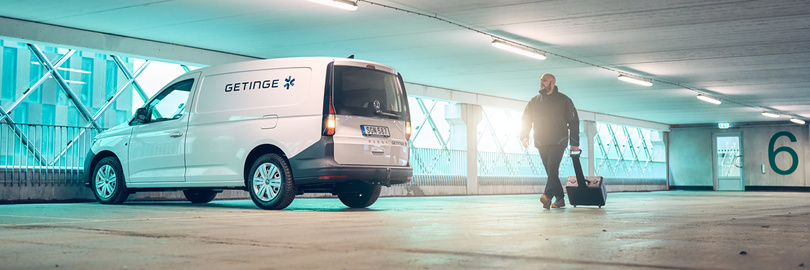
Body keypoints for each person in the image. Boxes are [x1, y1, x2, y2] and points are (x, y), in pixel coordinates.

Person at [520, 73, 580, 209]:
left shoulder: (564, 100)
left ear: (553, 83)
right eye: (541, 80)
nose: (542, 83)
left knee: (552, 168)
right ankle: (560, 199)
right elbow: (526, 119)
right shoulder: (534, 101)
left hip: (558, 141)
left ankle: (547, 196)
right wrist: (524, 135)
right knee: (550, 172)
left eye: (545, 81)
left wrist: (574, 143)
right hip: (541, 141)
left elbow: (574, 122)